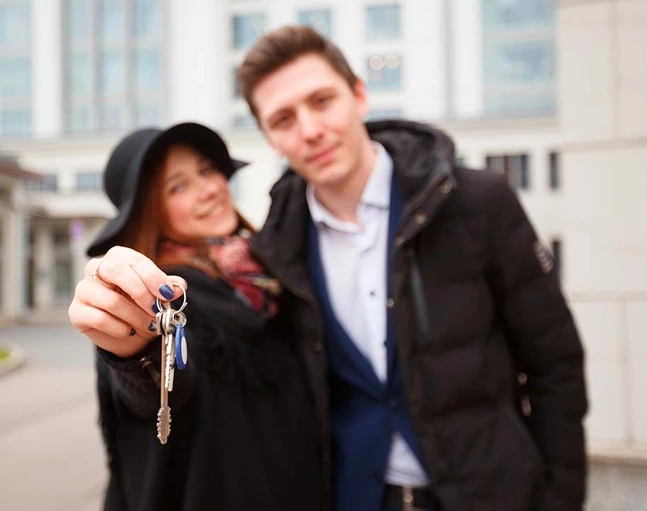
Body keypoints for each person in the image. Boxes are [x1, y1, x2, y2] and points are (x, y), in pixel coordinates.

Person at [232, 26, 588, 511]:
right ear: (270, 139)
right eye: (284, 119)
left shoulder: (476, 203)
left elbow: (555, 364)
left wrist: (559, 500)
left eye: (322, 101)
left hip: (489, 495)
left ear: (359, 95)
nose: (310, 129)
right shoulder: (277, 248)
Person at [67, 122, 327, 511]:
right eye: (178, 187)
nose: (209, 189)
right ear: (149, 213)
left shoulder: (268, 278)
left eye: (207, 170)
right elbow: (158, 383)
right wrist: (137, 347)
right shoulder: (167, 297)